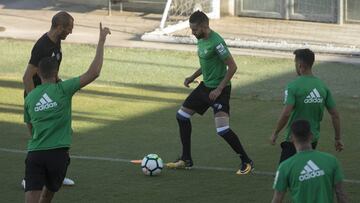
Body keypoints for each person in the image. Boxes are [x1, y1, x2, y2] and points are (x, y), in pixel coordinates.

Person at [23, 23, 111, 203]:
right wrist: (101, 41)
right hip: (58, 155)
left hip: (35, 154)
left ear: (38, 74)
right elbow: (94, 72)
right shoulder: (64, 89)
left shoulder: (30, 98)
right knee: (47, 195)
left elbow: (30, 128)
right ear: (56, 75)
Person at [166, 11, 253, 175]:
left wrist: (219, 89)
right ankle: (186, 159)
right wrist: (192, 77)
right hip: (205, 87)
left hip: (220, 90)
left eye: (195, 30)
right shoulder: (201, 40)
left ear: (204, 26)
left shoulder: (217, 43)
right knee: (181, 116)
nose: (192, 33)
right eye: (191, 29)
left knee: (222, 130)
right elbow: (206, 64)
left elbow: (233, 67)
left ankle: (247, 161)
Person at [22, 11, 75, 187]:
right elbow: (27, 77)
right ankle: (28, 178)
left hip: (50, 96)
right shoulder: (42, 47)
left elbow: (53, 70)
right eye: (68, 28)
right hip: (37, 99)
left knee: (59, 134)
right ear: (59, 27)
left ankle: (56, 175)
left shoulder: (57, 41)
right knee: (38, 139)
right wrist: (33, 103)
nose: (70, 32)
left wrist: (60, 86)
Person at [270, 48, 343, 163]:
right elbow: (335, 115)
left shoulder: (293, 86)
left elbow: (286, 113)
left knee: (284, 174)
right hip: (312, 139)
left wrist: (275, 132)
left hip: (294, 138)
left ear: (299, 64)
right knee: (303, 169)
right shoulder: (322, 86)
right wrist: (337, 138)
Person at [272, 120, 348, 203]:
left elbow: (277, 199)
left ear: (291, 138)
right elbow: (340, 193)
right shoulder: (331, 160)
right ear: (311, 136)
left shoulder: (284, 166)